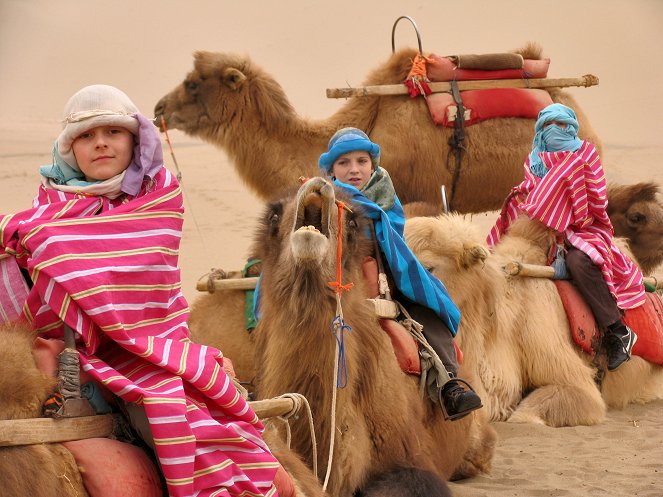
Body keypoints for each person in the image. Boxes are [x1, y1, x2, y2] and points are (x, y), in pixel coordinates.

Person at [0, 85, 281, 497]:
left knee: (177, 424)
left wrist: (40, 240)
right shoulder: (46, 208)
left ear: (135, 139)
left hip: (145, 351)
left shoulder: (158, 201)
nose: (100, 143)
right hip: (58, 350)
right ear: (69, 147)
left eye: (113, 132)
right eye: (85, 135)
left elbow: (129, 285)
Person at [319, 127, 482, 420]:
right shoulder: (321, 201)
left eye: (361, 161)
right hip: (334, 284)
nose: (354, 169)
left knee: (427, 307)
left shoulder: (385, 198)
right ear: (331, 170)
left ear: (373, 165)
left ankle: (449, 384)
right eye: (344, 163)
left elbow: (393, 240)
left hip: (386, 276)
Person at [487, 103, 644, 371]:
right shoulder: (535, 159)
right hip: (541, 229)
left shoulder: (585, 155)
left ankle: (618, 332)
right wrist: (527, 199)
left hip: (584, 228)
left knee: (579, 263)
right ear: (540, 131)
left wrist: (560, 193)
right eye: (549, 126)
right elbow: (530, 191)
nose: (555, 132)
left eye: (562, 126)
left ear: (571, 129)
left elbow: (594, 200)